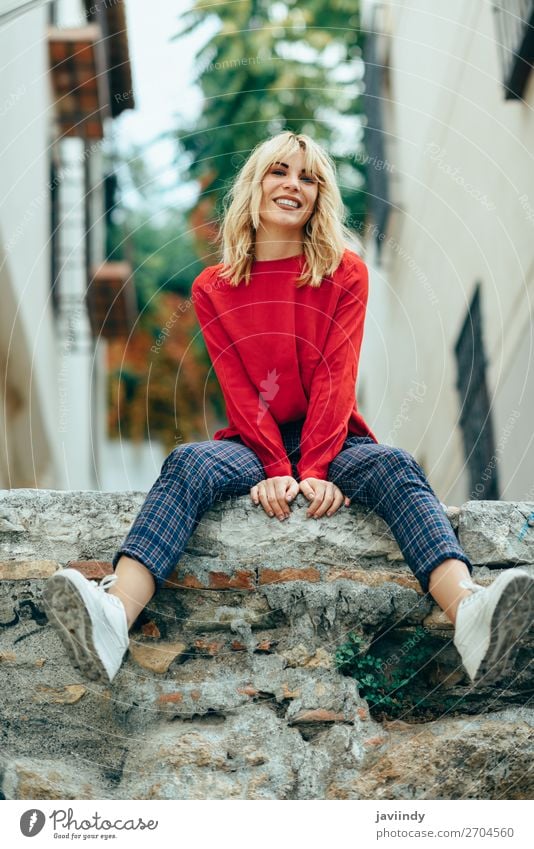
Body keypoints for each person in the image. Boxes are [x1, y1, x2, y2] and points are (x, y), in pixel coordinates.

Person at [43, 131, 533, 689]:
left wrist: (317, 468)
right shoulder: (214, 287)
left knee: (396, 467)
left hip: (335, 437)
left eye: (309, 178)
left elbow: (334, 375)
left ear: (319, 199)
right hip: (253, 443)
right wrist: (277, 467)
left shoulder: (345, 273)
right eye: (280, 171)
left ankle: (469, 610)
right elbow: (239, 386)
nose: (294, 185)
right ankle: (114, 617)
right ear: (255, 186)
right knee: (188, 463)